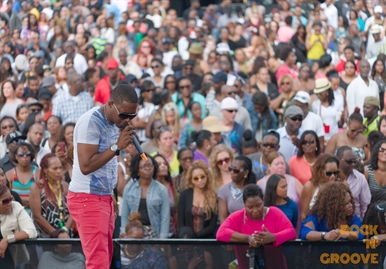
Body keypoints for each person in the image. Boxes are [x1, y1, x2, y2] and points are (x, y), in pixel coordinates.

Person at [67, 84, 139, 269]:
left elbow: (107, 165)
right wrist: (117, 146)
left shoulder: (115, 122)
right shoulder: (91, 121)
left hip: (103, 197)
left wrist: (111, 196)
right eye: (124, 115)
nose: (127, 120)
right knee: (98, 263)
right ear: (110, 104)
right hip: (87, 198)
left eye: (132, 116)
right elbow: (86, 165)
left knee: (104, 260)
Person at [216, 184, 296, 269]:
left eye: (258, 205)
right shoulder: (238, 216)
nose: (255, 211)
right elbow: (220, 233)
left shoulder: (274, 212)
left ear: (263, 200)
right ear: (244, 204)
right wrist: (247, 238)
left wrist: (273, 237)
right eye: (250, 207)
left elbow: (291, 232)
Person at [120, 153, 170, 238]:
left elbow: (165, 217)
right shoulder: (129, 188)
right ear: (137, 170)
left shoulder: (161, 189)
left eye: (150, 165)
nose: (148, 169)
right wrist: (124, 235)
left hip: (154, 234)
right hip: (134, 234)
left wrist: (163, 239)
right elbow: (125, 214)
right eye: (144, 166)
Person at [30, 154, 73, 237]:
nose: (59, 171)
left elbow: (73, 210)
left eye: (60, 168)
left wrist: (65, 230)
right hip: (46, 235)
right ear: (45, 170)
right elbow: (37, 216)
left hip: (66, 232)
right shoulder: (37, 187)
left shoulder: (65, 185)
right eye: (55, 168)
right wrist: (56, 234)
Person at [0, 184, 37, 268]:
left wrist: (7, 239)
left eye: (10, 199)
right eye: (5, 201)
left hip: (13, 261)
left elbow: (31, 231)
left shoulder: (16, 206)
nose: (9, 203)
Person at [178, 160, 218, 238]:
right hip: (186, 240)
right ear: (191, 180)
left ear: (207, 176)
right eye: (196, 178)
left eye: (202, 177)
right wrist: (187, 237)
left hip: (207, 241)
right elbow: (180, 222)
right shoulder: (184, 195)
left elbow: (212, 227)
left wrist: (194, 237)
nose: (200, 180)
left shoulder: (213, 197)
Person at [300, 154, 346, 221]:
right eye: (328, 173)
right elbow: (303, 215)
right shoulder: (310, 186)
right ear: (320, 172)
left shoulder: (343, 184)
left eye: (336, 172)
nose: (333, 176)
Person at [218, 156, 256, 224]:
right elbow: (223, 220)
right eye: (230, 169)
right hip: (233, 231)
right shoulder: (223, 191)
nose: (232, 172)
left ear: (246, 172)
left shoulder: (256, 190)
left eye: (236, 170)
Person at [337, 146, 370, 220]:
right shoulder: (331, 177)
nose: (352, 164)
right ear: (338, 160)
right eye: (349, 161)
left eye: (354, 161)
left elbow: (365, 205)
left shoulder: (360, 178)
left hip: (355, 222)